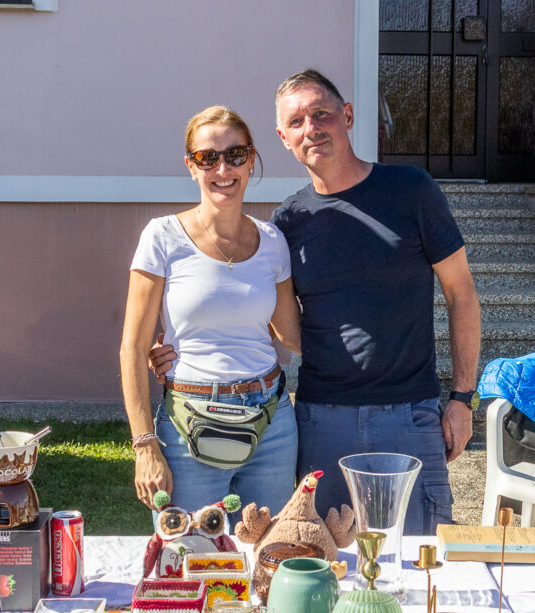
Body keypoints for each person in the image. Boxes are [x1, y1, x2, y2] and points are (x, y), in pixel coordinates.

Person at [152, 72, 481, 535]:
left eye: (321, 113)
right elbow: (266, 315)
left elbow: (461, 293)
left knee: (417, 558)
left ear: (347, 116)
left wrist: (463, 398)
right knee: (322, 556)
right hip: (319, 419)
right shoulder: (287, 223)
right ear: (283, 138)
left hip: (408, 416)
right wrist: (182, 347)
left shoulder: (411, 190)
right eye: (296, 121)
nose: (311, 128)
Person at [120, 106, 301, 520]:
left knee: (268, 550)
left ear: (251, 160)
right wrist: (144, 445)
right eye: (208, 157)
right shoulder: (162, 236)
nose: (223, 168)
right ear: (191, 166)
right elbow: (131, 347)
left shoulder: (273, 241)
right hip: (189, 422)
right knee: (188, 553)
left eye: (236, 154)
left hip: (272, 424)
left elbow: (292, 335)